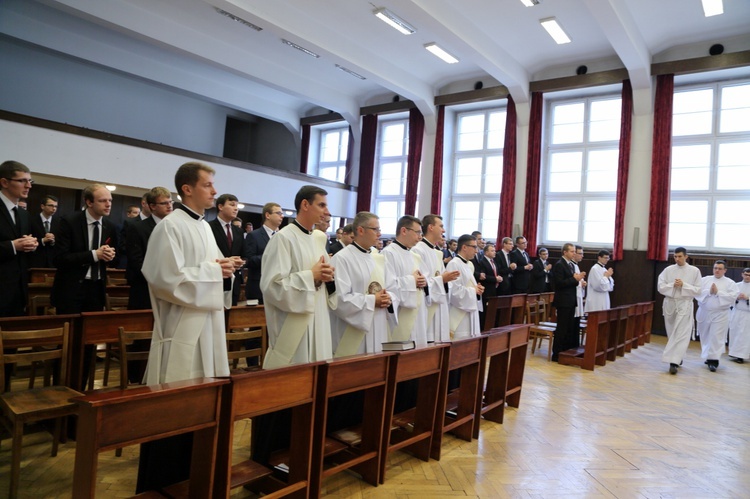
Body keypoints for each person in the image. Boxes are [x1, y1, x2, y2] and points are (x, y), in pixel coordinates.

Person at [136, 162, 236, 493]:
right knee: (175, 413)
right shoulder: (169, 227)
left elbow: (208, 268)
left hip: (207, 327)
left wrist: (224, 268)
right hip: (181, 331)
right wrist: (213, 271)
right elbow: (164, 279)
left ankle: (196, 476)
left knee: (204, 409)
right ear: (188, 189)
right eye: (208, 185)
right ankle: (164, 484)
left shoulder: (205, 227)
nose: (214, 190)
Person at [261, 185, 335, 368]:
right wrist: (311, 276)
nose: (327, 212)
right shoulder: (283, 238)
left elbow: (325, 281)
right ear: (305, 204)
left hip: (318, 318)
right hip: (294, 325)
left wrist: (327, 276)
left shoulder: (317, 240)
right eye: (322, 205)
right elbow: (271, 286)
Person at [52, 183, 117, 389]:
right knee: (68, 343)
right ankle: (60, 388)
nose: (108, 204)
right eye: (103, 200)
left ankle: (81, 388)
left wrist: (109, 257)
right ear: (89, 202)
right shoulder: (69, 221)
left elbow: (110, 258)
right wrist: (93, 255)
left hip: (96, 289)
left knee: (89, 343)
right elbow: (59, 258)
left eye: (110, 200)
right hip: (71, 290)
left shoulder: (110, 226)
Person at [329, 212, 394, 356]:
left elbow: (392, 287)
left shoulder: (379, 258)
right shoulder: (342, 258)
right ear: (360, 230)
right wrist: (372, 300)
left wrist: (389, 298)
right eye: (375, 229)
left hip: (379, 327)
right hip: (352, 332)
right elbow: (338, 299)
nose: (379, 234)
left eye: (379, 229)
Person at [382, 215, 428, 347]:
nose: (420, 237)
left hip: (417, 314)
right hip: (401, 316)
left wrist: (423, 282)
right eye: (418, 232)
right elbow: (388, 286)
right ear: (404, 231)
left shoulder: (414, 255)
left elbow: (423, 279)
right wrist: (412, 280)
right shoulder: (388, 253)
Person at [412, 214, 459, 343]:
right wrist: (442, 279)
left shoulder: (437, 252)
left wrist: (447, 279)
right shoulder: (418, 250)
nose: (444, 230)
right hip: (427, 306)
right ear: (431, 227)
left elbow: (440, 276)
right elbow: (421, 281)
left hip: (439, 304)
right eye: (441, 226)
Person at [125, 186, 173, 310]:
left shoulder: (175, 227)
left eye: (170, 202)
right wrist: (158, 278)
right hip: (145, 288)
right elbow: (136, 261)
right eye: (164, 203)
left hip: (170, 288)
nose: (169, 206)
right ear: (152, 206)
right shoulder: (138, 228)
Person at [0, 160, 37, 317]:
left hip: (18, 290)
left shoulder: (23, 214)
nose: (28, 186)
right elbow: (14, 245)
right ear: (4, 182)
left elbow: (23, 246)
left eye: (30, 181)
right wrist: (13, 246)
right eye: (22, 181)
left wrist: (31, 245)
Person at [657, 247, 702, 375]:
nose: (677, 259)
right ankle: (677, 356)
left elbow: (698, 290)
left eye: (680, 256)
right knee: (671, 332)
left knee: (681, 332)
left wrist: (684, 285)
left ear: (686, 256)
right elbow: (660, 286)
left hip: (685, 303)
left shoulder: (694, 271)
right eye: (675, 256)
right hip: (670, 303)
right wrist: (672, 285)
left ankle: (673, 362)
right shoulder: (668, 270)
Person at [695, 260, 738, 372]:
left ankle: (714, 360)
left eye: (719, 268)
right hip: (704, 312)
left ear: (725, 270)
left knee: (716, 336)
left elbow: (733, 297)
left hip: (721, 313)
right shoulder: (705, 280)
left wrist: (718, 292)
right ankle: (708, 356)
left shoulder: (730, 283)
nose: (717, 270)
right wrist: (709, 291)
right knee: (705, 336)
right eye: (715, 268)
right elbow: (696, 292)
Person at [551, 243, 585, 362]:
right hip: (563, 301)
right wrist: (574, 279)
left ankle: (565, 351)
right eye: (572, 251)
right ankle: (557, 354)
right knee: (562, 328)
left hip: (570, 300)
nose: (574, 253)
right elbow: (559, 283)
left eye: (575, 251)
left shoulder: (569, 264)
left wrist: (577, 280)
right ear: (565, 252)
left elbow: (570, 282)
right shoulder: (560, 265)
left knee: (568, 328)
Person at [446, 234, 485, 338]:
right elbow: (453, 291)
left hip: (469, 310)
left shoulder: (468, 264)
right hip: (459, 313)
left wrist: (478, 289)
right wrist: (473, 290)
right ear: (464, 247)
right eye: (474, 247)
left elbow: (468, 285)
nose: (476, 251)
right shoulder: (454, 264)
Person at [244, 202, 283, 304]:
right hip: (258, 287)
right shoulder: (254, 235)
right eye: (278, 213)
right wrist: (271, 256)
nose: (282, 216)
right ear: (267, 215)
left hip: (278, 287)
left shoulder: (282, 236)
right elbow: (249, 260)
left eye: (282, 213)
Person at [209, 193, 245, 305]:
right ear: (220, 207)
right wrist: (227, 261)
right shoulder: (208, 227)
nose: (236, 208)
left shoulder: (238, 231)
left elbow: (243, 254)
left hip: (234, 279)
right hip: (216, 278)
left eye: (237, 206)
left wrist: (240, 262)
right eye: (232, 205)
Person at [475, 242, 501, 328]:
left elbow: (495, 273)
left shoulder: (493, 261)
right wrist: (495, 279)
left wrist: (498, 277)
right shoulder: (483, 262)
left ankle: (490, 326)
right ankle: (483, 327)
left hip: (494, 289)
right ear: (486, 252)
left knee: (491, 310)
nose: (494, 252)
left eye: (494, 250)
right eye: (492, 251)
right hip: (486, 289)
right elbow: (483, 276)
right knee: (485, 310)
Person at [29, 194, 59, 268]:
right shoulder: (31, 220)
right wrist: (42, 240)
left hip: (53, 263)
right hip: (35, 261)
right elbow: (28, 239)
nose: (54, 208)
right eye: (51, 205)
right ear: (42, 206)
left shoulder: (59, 222)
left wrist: (53, 241)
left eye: (55, 206)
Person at [728, 268, 750, 363]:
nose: (747, 277)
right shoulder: (736, 286)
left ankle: (741, 355)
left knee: (744, 335)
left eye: (749, 275)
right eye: (746, 274)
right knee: (735, 332)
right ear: (742, 274)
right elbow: (729, 298)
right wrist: (736, 297)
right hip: (736, 312)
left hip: (747, 314)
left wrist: (747, 298)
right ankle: (734, 353)